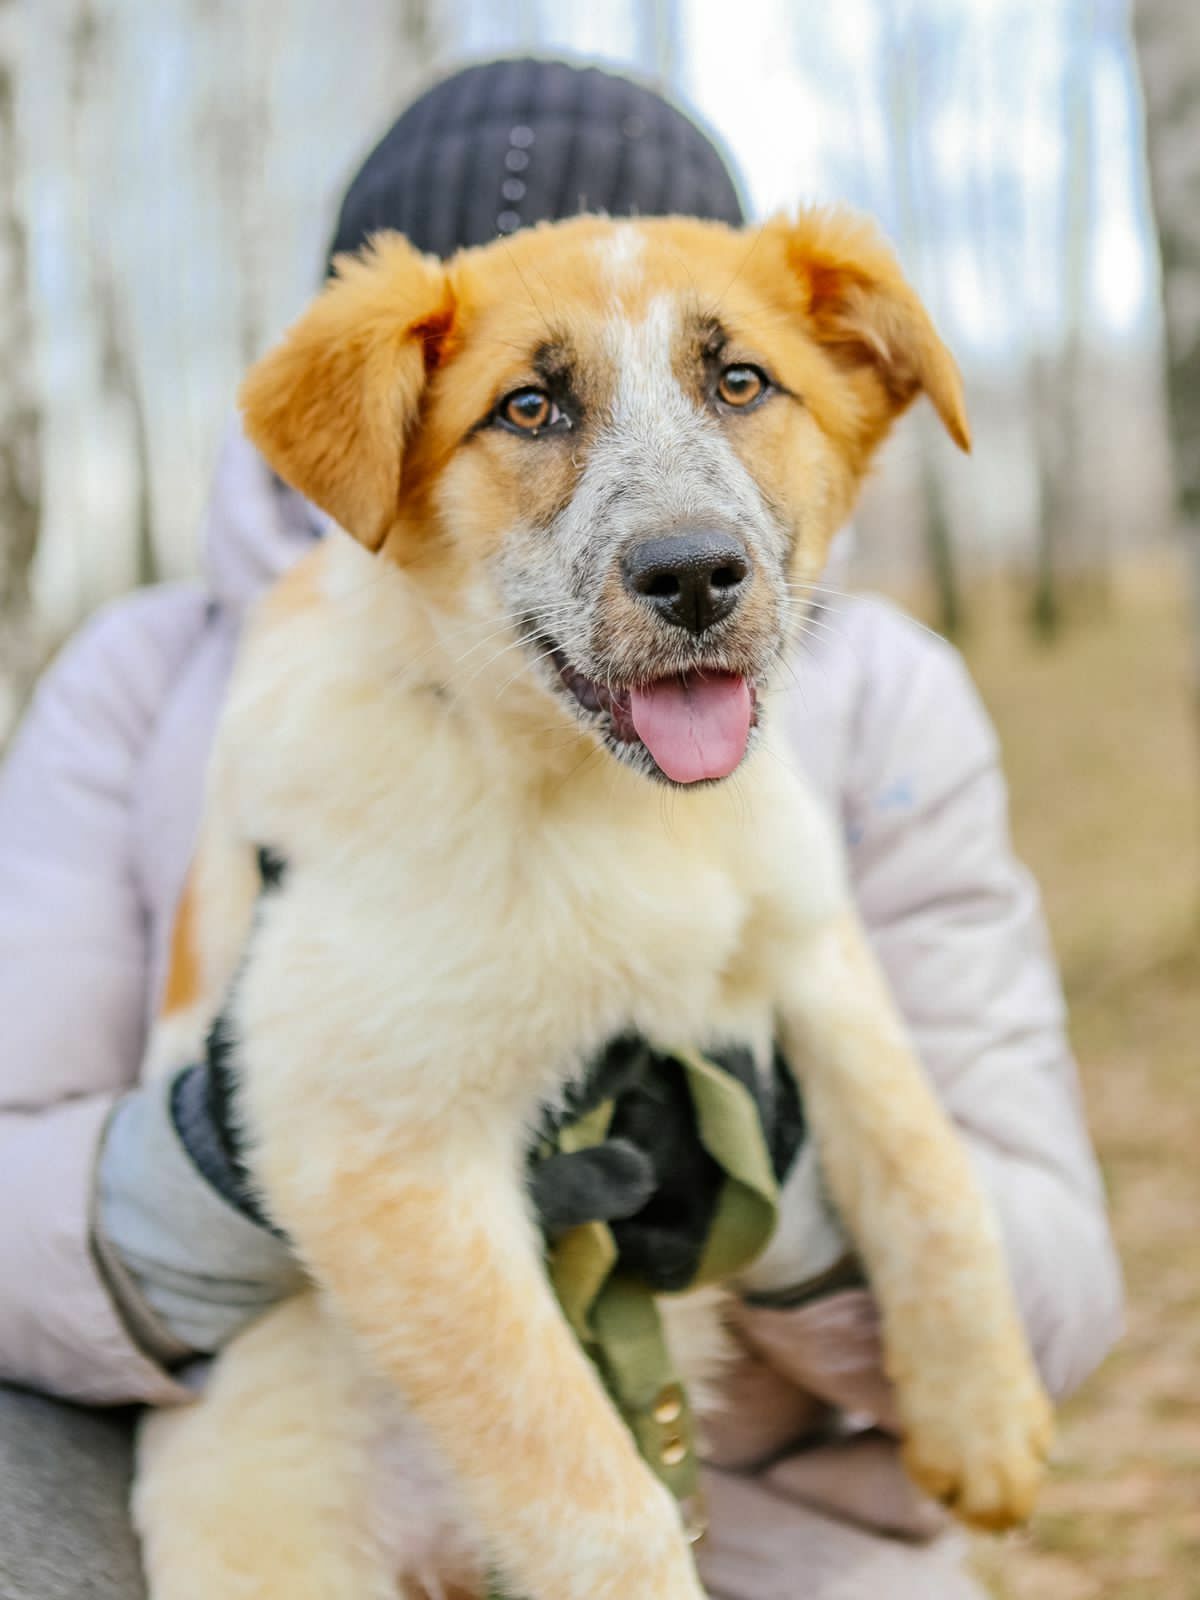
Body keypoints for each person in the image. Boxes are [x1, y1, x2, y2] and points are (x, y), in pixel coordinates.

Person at [0, 56, 1122, 1600]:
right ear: (385, 428)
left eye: (735, 381)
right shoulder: (156, 682)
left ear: (844, 374)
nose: (680, 531)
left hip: (766, 1502)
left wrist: (771, 1187)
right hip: (295, 1425)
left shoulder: (887, 702)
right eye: (533, 402)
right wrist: (202, 1171)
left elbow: (1043, 1267)